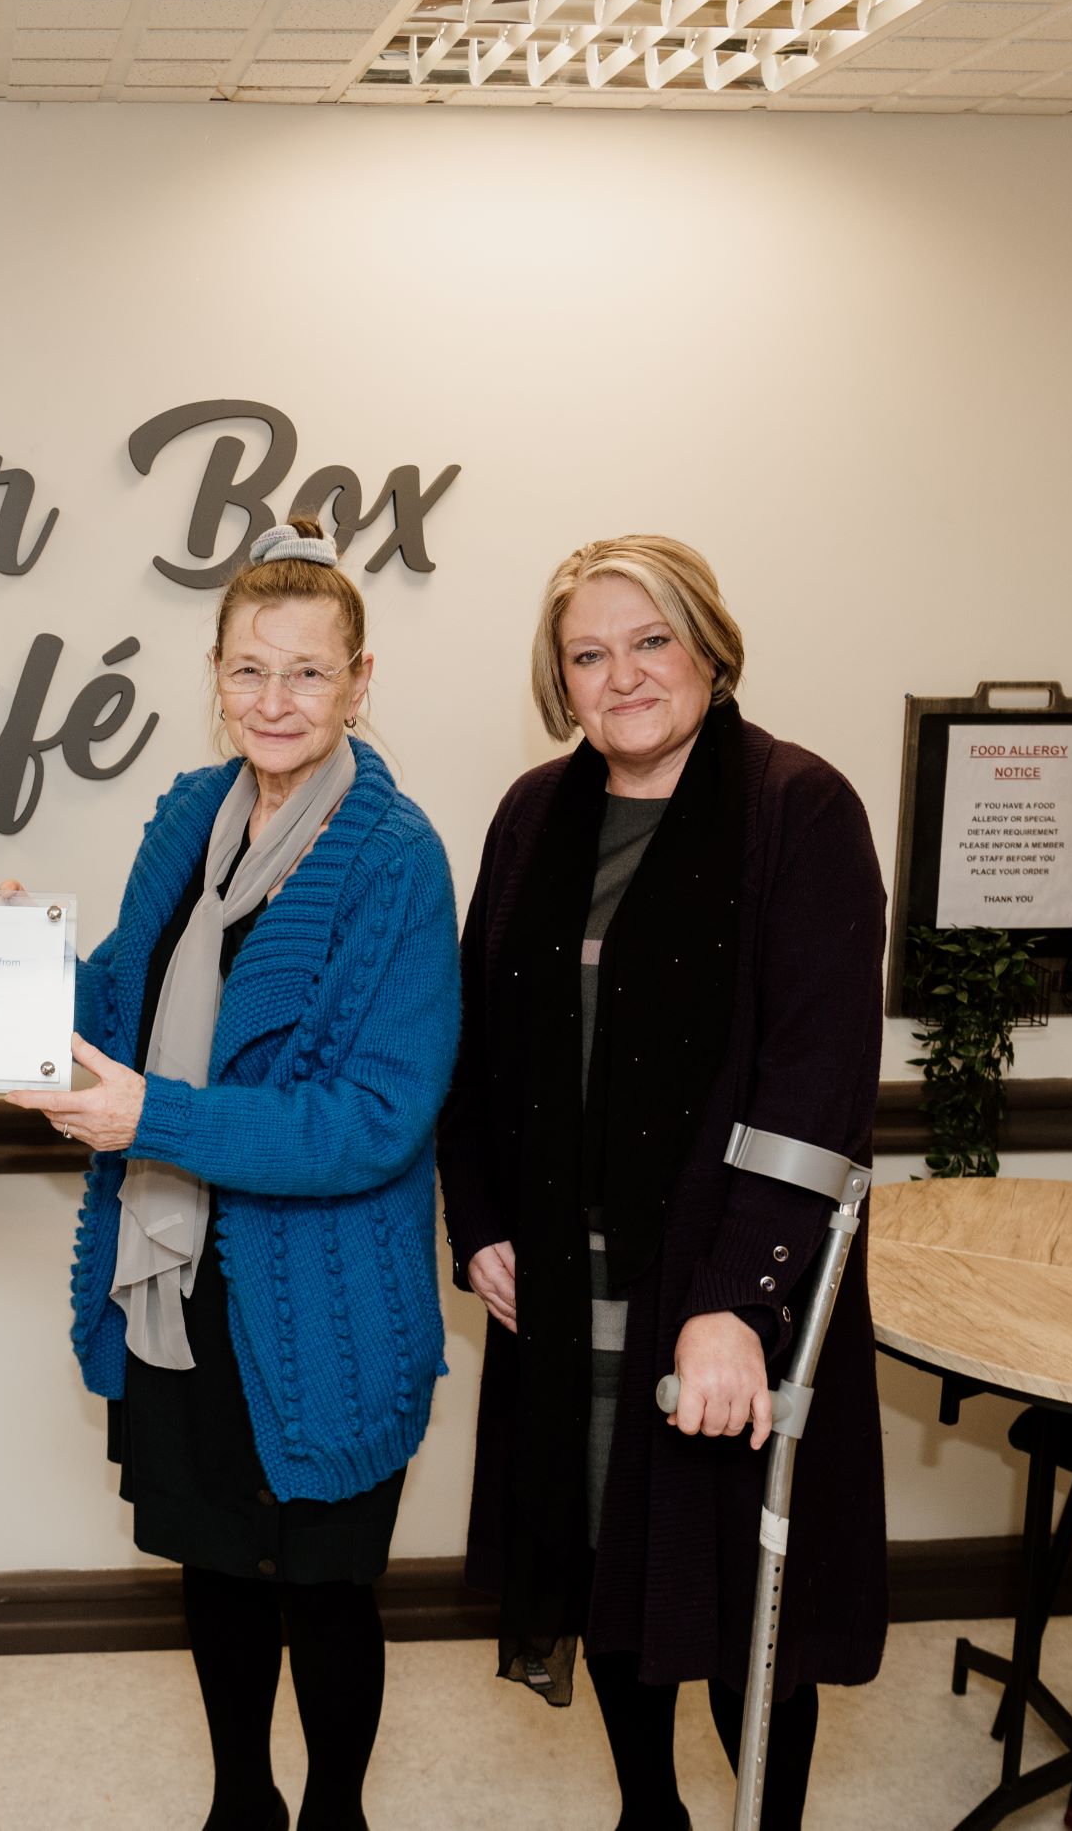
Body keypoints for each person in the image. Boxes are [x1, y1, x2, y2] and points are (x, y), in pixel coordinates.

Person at [2, 516, 460, 1831]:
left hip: (322, 1298)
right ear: (216, 674)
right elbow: (122, 1000)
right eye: (251, 670)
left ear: (360, 681)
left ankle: (334, 1812)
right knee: (215, 1568)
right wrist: (9, 982)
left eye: (308, 672)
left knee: (321, 1585)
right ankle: (240, 1800)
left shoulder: (394, 856)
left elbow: (373, 1118)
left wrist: (157, 1116)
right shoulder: (188, 814)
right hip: (183, 1273)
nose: (276, 699)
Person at [438, 535, 887, 1829]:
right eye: (589, 652)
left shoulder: (797, 807)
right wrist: (479, 1225)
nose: (622, 673)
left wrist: (736, 1301)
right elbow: (481, 1046)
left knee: (750, 1602)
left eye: (650, 640)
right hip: (568, 1289)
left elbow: (816, 1085)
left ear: (708, 646)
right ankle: (651, 1812)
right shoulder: (533, 815)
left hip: (735, 1281)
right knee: (605, 1571)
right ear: (559, 678)